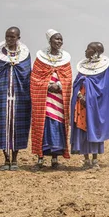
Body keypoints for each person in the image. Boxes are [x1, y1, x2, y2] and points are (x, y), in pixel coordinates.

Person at [0, 27, 32, 170]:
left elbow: (25, 73)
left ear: (18, 38)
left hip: (19, 96)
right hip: (2, 95)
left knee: (17, 124)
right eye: (7, 36)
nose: (9, 39)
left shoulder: (25, 54)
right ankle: (6, 159)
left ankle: (15, 159)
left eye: (12, 37)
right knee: (2, 125)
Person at [31, 30, 73, 169]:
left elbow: (68, 78)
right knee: (42, 126)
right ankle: (40, 159)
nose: (59, 42)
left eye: (61, 39)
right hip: (45, 99)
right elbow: (35, 78)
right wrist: (48, 85)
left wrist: (60, 85)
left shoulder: (65, 60)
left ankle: (55, 159)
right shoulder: (40, 59)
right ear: (50, 41)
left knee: (57, 127)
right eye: (56, 39)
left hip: (58, 100)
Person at [71, 42, 109, 169]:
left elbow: (102, 88)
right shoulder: (82, 67)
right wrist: (79, 95)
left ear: (95, 52)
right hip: (81, 104)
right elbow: (76, 82)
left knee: (95, 129)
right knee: (83, 130)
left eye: (88, 48)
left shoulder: (103, 69)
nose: (85, 50)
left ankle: (95, 160)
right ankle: (86, 159)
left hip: (96, 105)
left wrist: (89, 96)